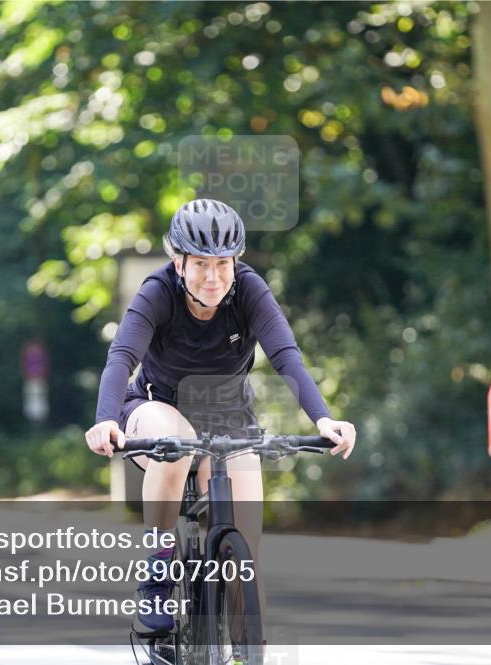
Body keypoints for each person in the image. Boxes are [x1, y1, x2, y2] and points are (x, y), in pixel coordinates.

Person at [85, 198, 357, 636]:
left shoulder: (249, 290)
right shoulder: (157, 292)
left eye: (223, 264)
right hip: (156, 410)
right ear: (179, 263)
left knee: (244, 562)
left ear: (236, 262)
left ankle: (246, 649)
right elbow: (121, 358)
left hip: (228, 421)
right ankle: (157, 576)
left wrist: (323, 420)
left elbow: (287, 357)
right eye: (200, 265)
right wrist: (104, 419)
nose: (213, 277)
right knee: (174, 445)